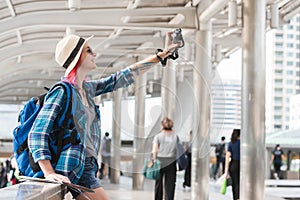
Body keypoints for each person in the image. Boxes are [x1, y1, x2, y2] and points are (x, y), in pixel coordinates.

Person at [28, 32, 180, 200]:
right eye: (88, 50)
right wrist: (48, 172)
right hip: (72, 167)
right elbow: (37, 132)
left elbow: (121, 77)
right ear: (77, 57)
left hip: (87, 167)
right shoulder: (61, 91)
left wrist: (161, 55)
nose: (94, 54)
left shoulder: (87, 89)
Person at [152, 117, 181, 200]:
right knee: (170, 184)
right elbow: (179, 150)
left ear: (162, 125)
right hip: (171, 161)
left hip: (160, 161)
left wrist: (154, 160)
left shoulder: (158, 136)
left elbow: (155, 150)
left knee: (158, 183)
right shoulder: (176, 137)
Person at [224, 129, 240, 200]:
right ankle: (240, 197)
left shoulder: (230, 143)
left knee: (234, 183)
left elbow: (227, 156)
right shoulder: (243, 143)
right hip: (241, 165)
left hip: (233, 164)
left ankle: (235, 198)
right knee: (240, 182)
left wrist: (226, 170)